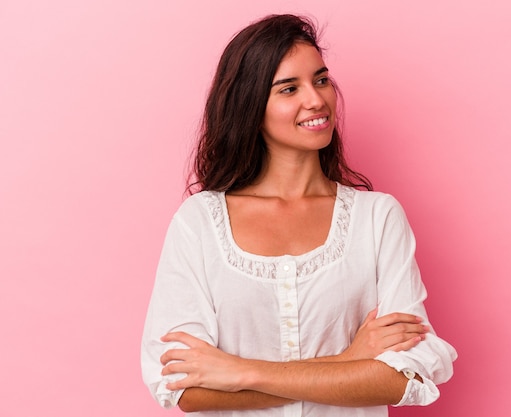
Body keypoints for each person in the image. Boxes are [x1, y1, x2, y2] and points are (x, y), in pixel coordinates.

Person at [141, 13, 457, 416]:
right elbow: (182, 389)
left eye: (321, 79)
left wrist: (239, 373)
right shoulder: (199, 222)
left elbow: (403, 378)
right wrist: (349, 362)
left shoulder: (377, 219)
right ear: (251, 107)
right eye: (289, 88)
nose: (316, 99)